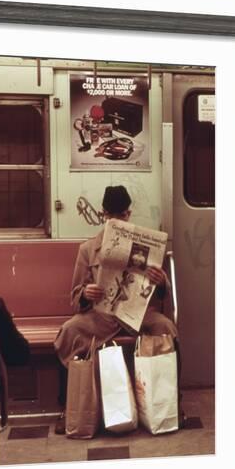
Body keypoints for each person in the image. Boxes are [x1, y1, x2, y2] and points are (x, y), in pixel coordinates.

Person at [53, 185, 178, 434]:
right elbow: (75, 294)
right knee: (69, 331)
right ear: (103, 215)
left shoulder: (148, 243)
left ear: (128, 214)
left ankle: (172, 402)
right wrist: (86, 293)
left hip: (139, 314)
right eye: (111, 216)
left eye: (121, 215)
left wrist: (160, 280)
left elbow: (162, 294)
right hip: (102, 316)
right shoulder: (88, 249)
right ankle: (68, 407)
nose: (116, 220)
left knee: (166, 328)